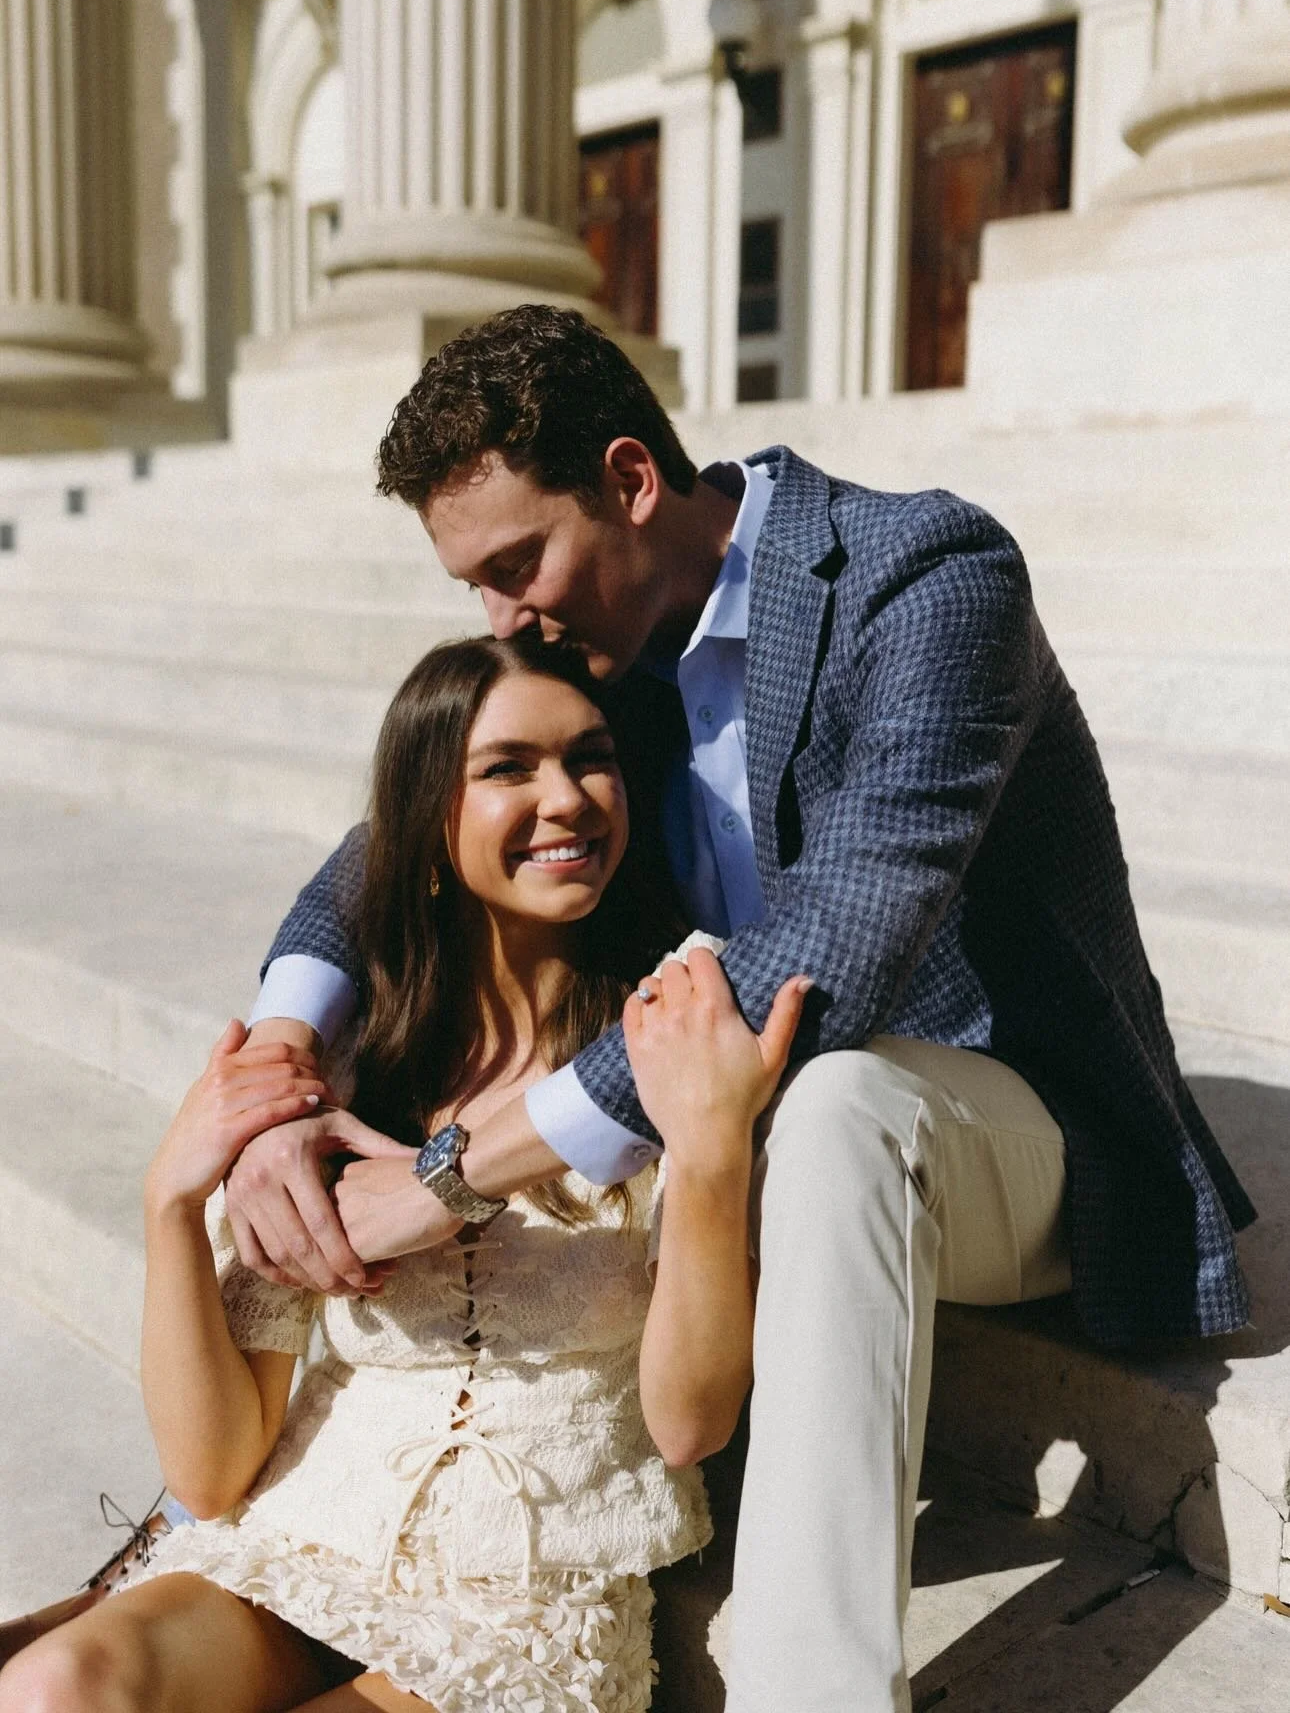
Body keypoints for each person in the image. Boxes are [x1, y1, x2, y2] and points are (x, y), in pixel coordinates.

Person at [225, 306, 1255, 1713]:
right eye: (472, 584)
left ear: (633, 481)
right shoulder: (597, 642)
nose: (501, 616)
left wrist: (453, 1177)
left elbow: (839, 942)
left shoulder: (926, 577)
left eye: (517, 566)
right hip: (729, 1138)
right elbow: (397, 838)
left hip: (1003, 1118)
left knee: (833, 1097)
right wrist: (275, 1071)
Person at [0, 635, 809, 1713]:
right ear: (425, 825)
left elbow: (688, 1423)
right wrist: (168, 1204)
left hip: (520, 1603)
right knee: (59, 1682)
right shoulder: (355, 1056)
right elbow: (211, 1473)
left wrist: (710, 1154)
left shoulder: (667, 1031)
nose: (566, 797)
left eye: (591, 756)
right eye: (509, 768)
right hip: (300, 1547)